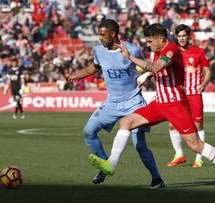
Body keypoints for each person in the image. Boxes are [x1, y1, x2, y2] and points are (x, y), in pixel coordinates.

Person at [89, 23, 215, 190]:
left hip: (175, 104)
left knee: (196, 145)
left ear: (161, 39)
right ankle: (111, 164)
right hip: (159, 103)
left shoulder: (172, 49)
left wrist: (129, 56)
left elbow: (156, 66)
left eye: (150, 41)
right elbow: (154, 70)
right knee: (126, 122)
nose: (148, 45)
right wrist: (146, 75)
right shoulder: (157, 51)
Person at [68, 19, 164, 188]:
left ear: (113, 34)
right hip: (111, 103)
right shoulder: (99, 51)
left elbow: (145, 67)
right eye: (99, 34)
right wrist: (79, 74)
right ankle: (106, 166)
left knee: (139, 145)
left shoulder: (132, 49)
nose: (99, 38)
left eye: (102, 34)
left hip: (134, 102)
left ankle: (157, 178)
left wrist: (145, 75)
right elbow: (94, 68)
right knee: (88, 132)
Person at [166, 24, 211, 168]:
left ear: (189, 36)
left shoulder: (198, 51)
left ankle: (199, 158)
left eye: (184, 35)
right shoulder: (173, 51)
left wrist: (203, 84)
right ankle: (179, 155)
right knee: (172, 124)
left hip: (194, 93)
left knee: (197, 125)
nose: (182, 38)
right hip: (178, 94)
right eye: (179, 36)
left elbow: (208, 71)